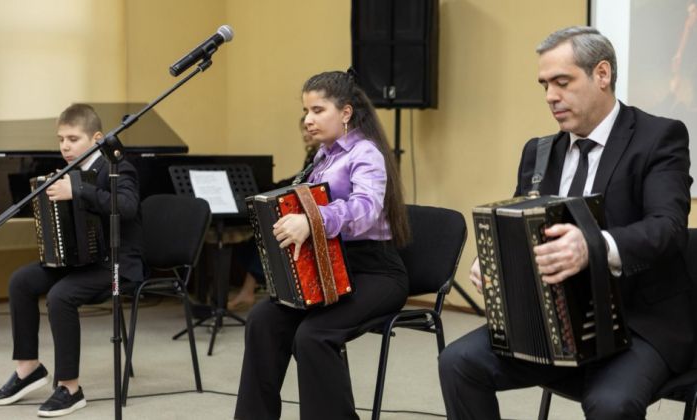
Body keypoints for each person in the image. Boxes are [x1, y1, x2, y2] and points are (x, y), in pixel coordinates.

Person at [438, 26, 694, 420]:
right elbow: (519, 231)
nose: (550, 97)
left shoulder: (658, 138)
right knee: (457, 363)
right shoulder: (539, 152)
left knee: (610, 404)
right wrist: (493, 266)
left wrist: (592, 246)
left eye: (562, 82)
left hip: (638, 323)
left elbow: (668, 228)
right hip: (555, 322)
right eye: (544, 85)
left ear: (602, 74)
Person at [234, 70, 411, 420]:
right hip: (330, 267)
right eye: (306, 111)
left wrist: (313, 221)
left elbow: (366, 210)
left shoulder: (366, 153)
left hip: (375, 272)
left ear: (345, 113)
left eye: (317, 110)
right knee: (262, 320)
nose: (308, 120)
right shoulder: (323, 155)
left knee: (313, 335)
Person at [0, 104, 145, 417]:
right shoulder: (69, 171)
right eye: (61, 139)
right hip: (81, 260)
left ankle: (70, 388)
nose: (65, 146)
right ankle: (28, 368)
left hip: (116, 265)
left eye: (73, 139)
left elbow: (127, 206)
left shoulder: (117, 167)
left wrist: (76, 190)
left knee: (60, 296)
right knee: (21, 281)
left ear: (97, 138)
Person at [226, 116, 320, 312]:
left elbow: (304, 185)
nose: (304, 134)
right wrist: (272, 187)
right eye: (302, 130)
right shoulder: (313, 154)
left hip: (309, 219)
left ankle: (251, 291)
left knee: (270, 235)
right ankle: (250, 290)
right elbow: (298, 180)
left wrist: (273, 188)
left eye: (307, 129)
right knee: (255, 238)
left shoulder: (321, 156)